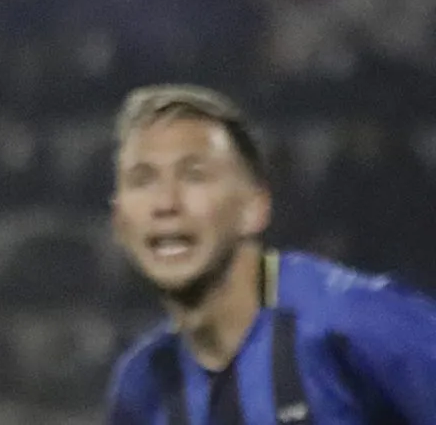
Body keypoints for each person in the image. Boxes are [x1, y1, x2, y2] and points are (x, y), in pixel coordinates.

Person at [106, 85, 436, 423]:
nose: (166, 203)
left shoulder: (353, 321)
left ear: (256, 207)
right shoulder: (142, 386)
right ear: (119, 222)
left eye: (195, 175)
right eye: (142, 180)